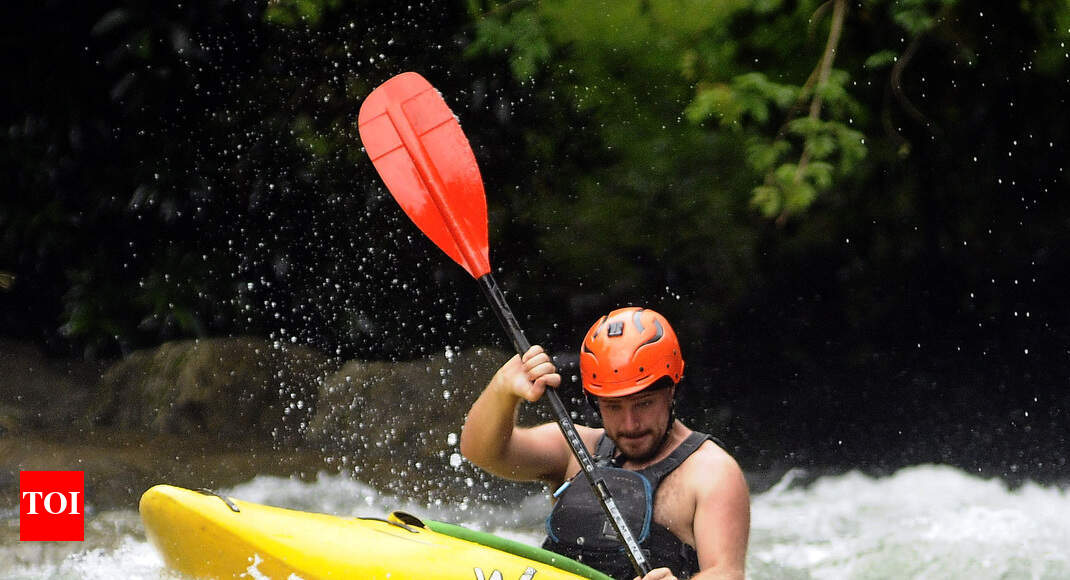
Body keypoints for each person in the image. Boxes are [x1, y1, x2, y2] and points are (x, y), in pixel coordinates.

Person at [461, 307, 750, 580]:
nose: (630, 424)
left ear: (672, 389)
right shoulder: (574, 448)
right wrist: (502, 390)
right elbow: (481, 452)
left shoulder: (711, 472)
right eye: (613, 407)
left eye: (644, 404)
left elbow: (727, 573)